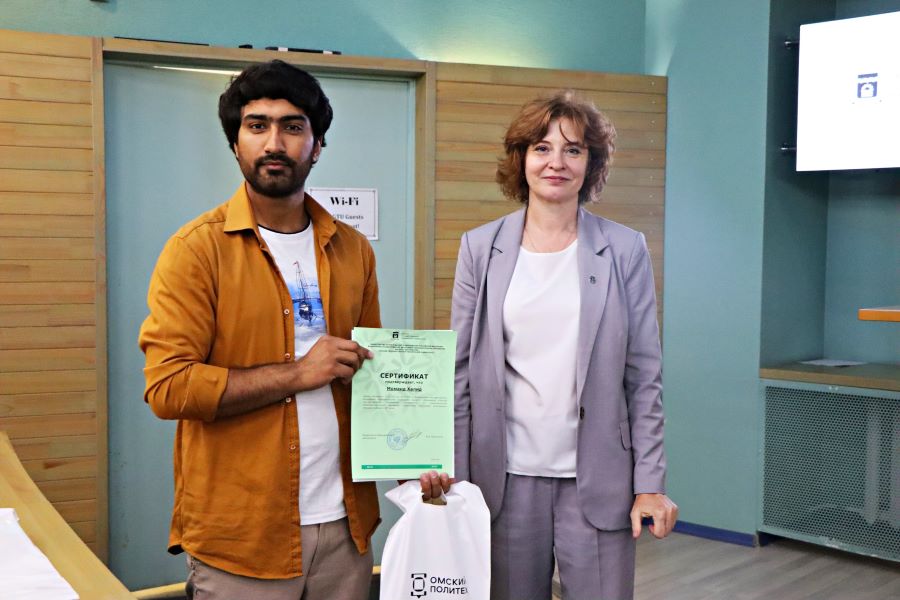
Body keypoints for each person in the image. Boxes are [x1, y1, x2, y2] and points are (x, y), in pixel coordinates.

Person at [420, 90, 677, 600]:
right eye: (541, 148)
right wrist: (454, 474)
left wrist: (649, 482)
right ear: (521, 159)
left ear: (590, 163)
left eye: (572, 150)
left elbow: (644, 376)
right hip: (504, 481)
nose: (556, 162)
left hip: (599, 479)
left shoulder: (624, 249)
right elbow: (461, 373)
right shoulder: (480, 248)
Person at [139, 60, 380, 600]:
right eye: (257, 125)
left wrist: (415, 461)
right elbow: (168, 388)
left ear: (317, 146)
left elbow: (371, 375)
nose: (275, 142)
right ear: (235, 144)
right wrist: (299, 373)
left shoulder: (353, 250)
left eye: (293, 126)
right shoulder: (196, 250)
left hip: (346, 526)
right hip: (242, 536)